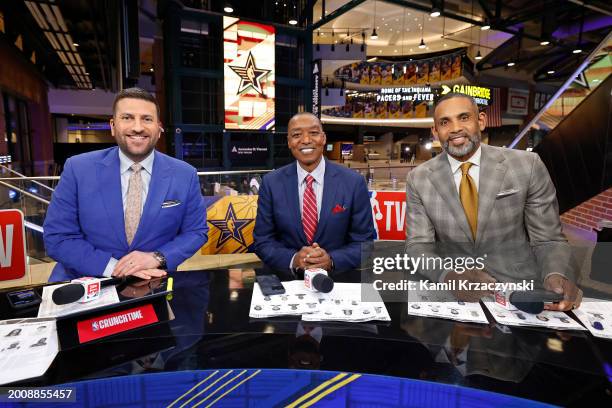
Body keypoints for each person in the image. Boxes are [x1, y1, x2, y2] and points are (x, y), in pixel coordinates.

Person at [405, 93, 581, 311]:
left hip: (519, 292)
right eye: (444, 122)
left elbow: (548, 239)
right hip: (455, 295)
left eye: (464, 117)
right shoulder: (418, 178)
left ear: (481, 121)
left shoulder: (527, 165)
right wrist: (446, 275)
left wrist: (556, 274)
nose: (455, 128)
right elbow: (418, 246)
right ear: (435, 131)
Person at [44, 88, 208, 282]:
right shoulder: (78, 168)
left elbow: (195, 232)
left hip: (153, 282)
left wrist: (157, 257)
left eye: (147, 119)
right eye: (127, 118)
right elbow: (58, 237)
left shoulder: (185, 174)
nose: (137, 127)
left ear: (159, 127)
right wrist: (116, 268)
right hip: (85, 282)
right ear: (113, 126)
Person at [254, 112, 375, 278]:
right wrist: (294, 259)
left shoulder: (353, 182)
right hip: (287, 281)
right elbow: (263, 241)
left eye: (313, 133)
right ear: (289, 142)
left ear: (323, 138)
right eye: (297, 135)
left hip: (338, 281)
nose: (305, 140)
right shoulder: (271, 183)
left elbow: (365, 243)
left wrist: (332, 260)